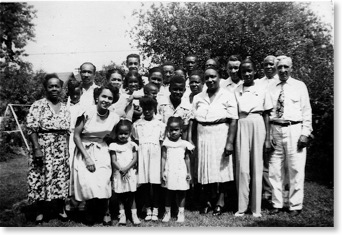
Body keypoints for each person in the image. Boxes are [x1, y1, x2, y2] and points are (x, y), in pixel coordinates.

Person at [189, 68, 238, 216]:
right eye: (207, 77)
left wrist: (230, 142)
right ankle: (207, 200)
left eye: (213, 77)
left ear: (219, 78)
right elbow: (192, 119)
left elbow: (234, 120)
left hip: (220, 132)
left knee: (222, 169)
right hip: (203, 134)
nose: (210, 80)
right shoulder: (198, 97)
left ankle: (220, 201)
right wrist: (190, 139)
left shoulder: (228, 95)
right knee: (205, 168)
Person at [268, 56, 312, 217]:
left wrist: (305, 133)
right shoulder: (271, 87)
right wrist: (268, 134)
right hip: (275, 129)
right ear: (276, 68)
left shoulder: (299, 86)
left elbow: (306, 111)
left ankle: (295, 205)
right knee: (274, 169)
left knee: (296, 168)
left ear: (291, 68)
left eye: (286, 67)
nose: (283, 70)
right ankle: (277, 203)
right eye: (279, 67)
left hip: (295, 129)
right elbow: (268, 112)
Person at [72, 84, 120, 225]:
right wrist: (87, 157)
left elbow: (112, 136)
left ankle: (105, 212)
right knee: (88, 183)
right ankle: (89, 210)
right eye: (103, 96)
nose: (106, 100)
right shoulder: (87, 112)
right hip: (84, 149)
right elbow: (76, 136)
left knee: (103, 182)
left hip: (101, 149)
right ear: (97, 97)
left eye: (110, 98)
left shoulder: (114, 117)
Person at [26, 73, 70, 224]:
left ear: (61, 88)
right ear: (45, 88)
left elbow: (68, 130)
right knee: (40, 177)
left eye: (57, 86)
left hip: (61, 147)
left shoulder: (65, 107)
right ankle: (40, 210)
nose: (54, 89)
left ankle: (61, 208)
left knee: (61, 178)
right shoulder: (38, 105)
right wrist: (37, 148)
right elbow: (32, 129)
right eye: (50, 86)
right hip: (43, 146)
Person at [233, 57, 273, 218]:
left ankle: (256, 208)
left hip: (258, 122)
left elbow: (268, 114)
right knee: (242, 168)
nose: (247, 73)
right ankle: (242, 207)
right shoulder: (236, 90)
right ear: (240, 73)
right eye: (244, 71)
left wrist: (268, 138)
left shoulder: (263, 89)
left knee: (257, 166)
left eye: (250, 70)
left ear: (255, 71)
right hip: (241, 123)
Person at [132, 96, 166, 221]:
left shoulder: (160, 125)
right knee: (145, 183)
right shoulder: (137, 125)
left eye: (150, 109)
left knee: (155, 183)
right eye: (145, 109)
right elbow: (136, 141)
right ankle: (148, 208)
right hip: (142, 154)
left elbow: (161, 142)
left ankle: (156, 208)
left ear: (154, 109)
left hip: (155, 154)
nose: (147, 111)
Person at [161, 117, 194, 223]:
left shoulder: (185, 144)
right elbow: (163, 158)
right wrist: (162, 171)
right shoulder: (166, 143)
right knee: (168, 192)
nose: (173, 132)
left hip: (181, 170)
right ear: (168, 130)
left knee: (181, 192)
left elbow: (187, 159)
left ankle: (181, 212)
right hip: (170, 169)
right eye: (171, 130)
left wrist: (189, 172)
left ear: (181, 131)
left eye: (176, 130)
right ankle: (167, 212)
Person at [256, 55, 279, 204]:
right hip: (264, 124)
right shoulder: (258, 83)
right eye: (266, 65)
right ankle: (266, 193)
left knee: (279, 164)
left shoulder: (281, 82)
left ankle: (282, 194)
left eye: (271, 64)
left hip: (280, 124)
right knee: (265, 161)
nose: (269, 67)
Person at [109, 119, 141, 225]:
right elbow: (113, 160)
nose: (123, 136)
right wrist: (121, 169)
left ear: (130, 133)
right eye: (120, 133)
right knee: (120, 195)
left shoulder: (132, 145)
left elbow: (135, 159)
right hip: (119, 173)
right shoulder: (113, 146)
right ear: (116, 133)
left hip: (130, 172)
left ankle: (134, 215)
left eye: (125, 133)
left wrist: (127, 168)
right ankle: (122, 215)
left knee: (131, 194)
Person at [65, 78, 85, 212]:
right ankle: (69, 200)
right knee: (69, 169)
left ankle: (82, 200)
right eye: (72, 93)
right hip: (68, 138)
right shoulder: (65, 107)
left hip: (82, 138)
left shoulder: (85, 106)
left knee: (81, 169)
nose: (75, 95)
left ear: (81, 92)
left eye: (77, 92)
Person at [158, 75, 192, 139]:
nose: (178, 92)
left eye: (180, 90)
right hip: (163, 139)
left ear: (184, 90)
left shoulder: (187, 108)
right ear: (169, 89)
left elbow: (185, 129)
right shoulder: (161, 105)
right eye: (175, 89)